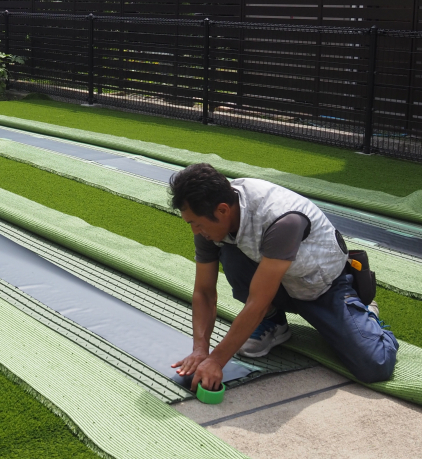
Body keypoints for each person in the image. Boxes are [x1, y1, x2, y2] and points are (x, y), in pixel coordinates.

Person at [169, 163, 398, 393]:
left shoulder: (281, 219)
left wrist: (217, 361)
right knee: (229, 251)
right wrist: (200, 350)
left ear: (222, 210)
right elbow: (204, 292)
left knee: (375, 365)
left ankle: (364, 312)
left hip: (320, 287)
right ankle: (274, 321)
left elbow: (256, 302)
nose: (195, 231)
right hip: (276, 279)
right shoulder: (213, 219)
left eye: (196, 224)